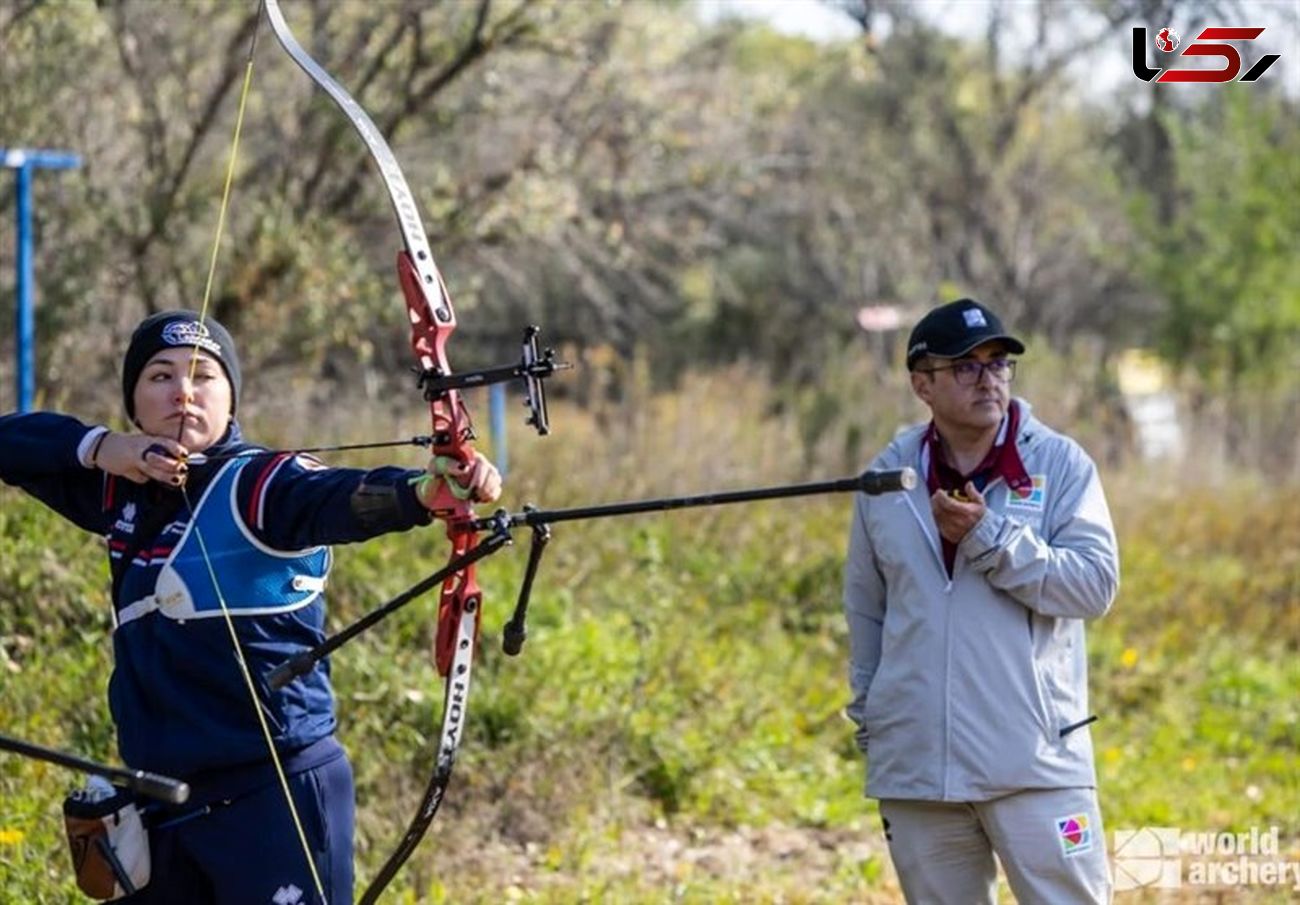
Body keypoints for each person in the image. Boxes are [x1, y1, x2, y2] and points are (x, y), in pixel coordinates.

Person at [0, 310, 502, 904]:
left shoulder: (261, 484)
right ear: (133, 401)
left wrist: (420, 493)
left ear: (230, 400)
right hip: (163, 798)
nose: (182, 390)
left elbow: (333, 498)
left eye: (203, 375)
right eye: (159, 375)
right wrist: (102, 447)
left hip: (272, 793)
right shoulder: (117, 492)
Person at [842, 298, 1119, 903]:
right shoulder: (886, 478)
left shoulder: (1061, 465)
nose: (987, 378)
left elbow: (1095, 585)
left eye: (998, 363)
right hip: (917, 769)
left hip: (1035, 763)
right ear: (922, 384)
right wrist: (873, 715)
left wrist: (989, 537)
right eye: (964, 366)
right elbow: (867, 609)